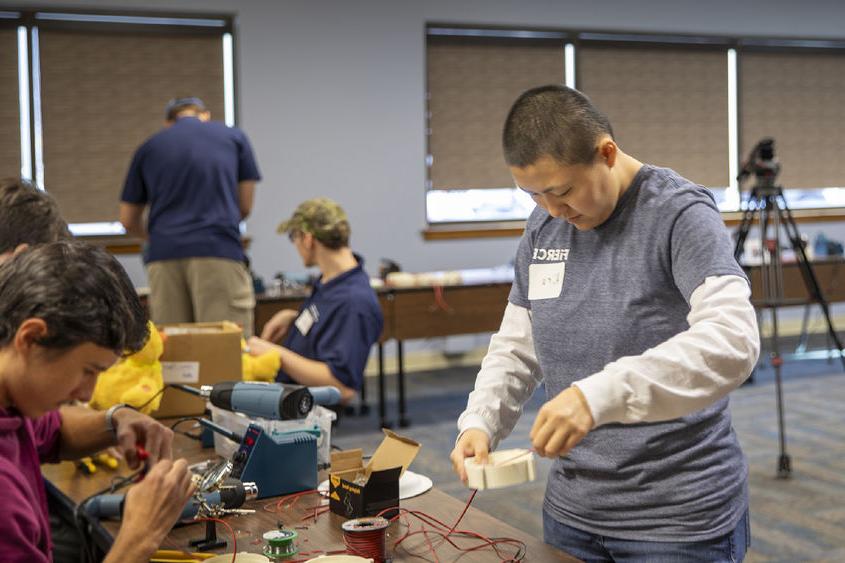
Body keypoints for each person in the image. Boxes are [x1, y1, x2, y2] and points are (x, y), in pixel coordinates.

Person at [450, 85, 760, 561]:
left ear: (607, 153)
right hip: (573, 513)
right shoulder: (545, 224)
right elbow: (518, 342)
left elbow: (732, 341)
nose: (552, 210)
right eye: (533, 194)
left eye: (562, 190)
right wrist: (480, 422)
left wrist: (596, 396)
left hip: (676, 521)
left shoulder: (680, 214)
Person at [0, 241, 195, 563]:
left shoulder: (13, 400)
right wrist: (138, 539)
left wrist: (117, 419)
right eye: (88, 371)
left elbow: (51, 431)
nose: (87, 394)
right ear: (31, 338)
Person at [119, 97, 261, 336]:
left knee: (175, 350)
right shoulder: (233, 137)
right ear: (205, 115)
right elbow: (244, 206)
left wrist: (157, 237)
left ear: (168, 122)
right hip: (218, 250)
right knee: (224, 345)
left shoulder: (150, 147)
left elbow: (127, 219)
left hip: (164, 256)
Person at [247, 198, 383, 404]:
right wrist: (292, 318)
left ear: (308, 239)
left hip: (301, 414)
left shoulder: (353, 302)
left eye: (294, 237)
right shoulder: (330, 281)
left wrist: (277, 354)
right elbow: (327, 323)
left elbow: (342, 387)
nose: (295, 245)